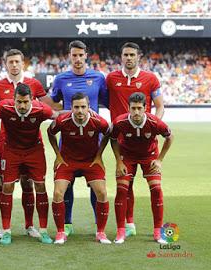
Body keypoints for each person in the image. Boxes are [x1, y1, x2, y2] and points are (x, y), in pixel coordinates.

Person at [0, 83, 61, 245]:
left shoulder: (41, 109)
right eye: (19, 102)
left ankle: (42, 230)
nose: (22, 105)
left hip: (34, 151)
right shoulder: (3, 107)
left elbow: (57, 115)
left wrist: (81, 111)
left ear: (31, 100)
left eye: (25, 102)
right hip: (11, 151)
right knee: (7, 187)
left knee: (40, 186)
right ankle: (6, 230)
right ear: (13, 100)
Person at [0, 48, 54, 239]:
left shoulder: (34, 84)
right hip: (7, 143)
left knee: (28, 184)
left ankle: (30, 226)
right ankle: (4, 227)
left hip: (32, 142)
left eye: (17, 62)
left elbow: (51, 109)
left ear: (23, 63)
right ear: (5, 64)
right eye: (10, 62)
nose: (14, 65)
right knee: (5, 184)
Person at [50, 40, 108, 237]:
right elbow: (54, 104)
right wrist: (63, 115)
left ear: (86, 56)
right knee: (66, 185)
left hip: (93, 141)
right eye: (73, 55)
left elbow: (108, 102)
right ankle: (66, 224)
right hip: (67, 140)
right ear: (69, 56)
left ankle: (98, 225)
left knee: (96, 186)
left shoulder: (99, 78)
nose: (77, 59)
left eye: (80, 55)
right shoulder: (60, 79)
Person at [106, 42, 164, 237]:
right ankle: (128, 225)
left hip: (147, 143)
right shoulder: (111, 78)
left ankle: (157, 231)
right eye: (126, 55)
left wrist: (153, 125)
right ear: (121, 57)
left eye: (132, 55)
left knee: (155, 187)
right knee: (125, 186)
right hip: (122, 143)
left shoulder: (151, 78)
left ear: (139, 56)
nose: (129, 58)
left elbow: (159, 106)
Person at [48, 93, 111, 245]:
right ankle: (60, 232)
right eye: (76, 107)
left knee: (102, 192)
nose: (80, 111)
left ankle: (101, 232)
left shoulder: (98, 121)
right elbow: (50, 133)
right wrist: (58, 155)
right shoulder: (62, 121)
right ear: (71, 108)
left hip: (90, 162)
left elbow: (108, 133)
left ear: (89, 107)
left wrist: (99, 155)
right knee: (57, 193)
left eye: (83, 107)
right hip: (68, 161)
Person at [110, 92, 173, 244]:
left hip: (149, 156)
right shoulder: (120, 122)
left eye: (139, 108)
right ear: (128, 108)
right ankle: (121, 232)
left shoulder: (155, 122)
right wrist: (119, 161)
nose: (136, 112)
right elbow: (112, 139)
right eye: (133, 108)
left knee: (156, 189)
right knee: (122, 188)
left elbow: (169, 137)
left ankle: (158, 232)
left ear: (145, 108)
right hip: (127, 157)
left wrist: (159, 160)